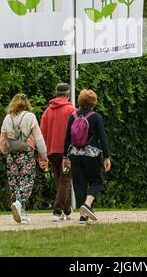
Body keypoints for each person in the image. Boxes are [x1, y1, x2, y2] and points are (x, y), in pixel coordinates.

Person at [62, 89, 111, 225]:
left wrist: (65, 156)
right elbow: (103, 138)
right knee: (96, 181)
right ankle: (88, 204)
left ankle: (83, 217)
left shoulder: (73, 117)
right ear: (93, 103)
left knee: (79, 183)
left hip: (75, 155)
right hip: (92, 155)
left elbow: (67, 138)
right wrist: (107, 157)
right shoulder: (96, 117)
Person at [0, 93, 48, 225]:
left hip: (12, 155)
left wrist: (5, 151)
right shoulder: (30, 117)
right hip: (26, 155)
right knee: (27, 181)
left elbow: (2, 141)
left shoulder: (7, 118)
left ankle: (22, 213)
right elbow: (38, 138)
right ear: (27, 104)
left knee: (15, 183)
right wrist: (44, 155)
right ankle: (19, 203)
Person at [40, 83, 76, 222]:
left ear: (56, 94)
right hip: (66, 152)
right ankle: (57, 211)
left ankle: (66, 210)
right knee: (65, 181)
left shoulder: (47, 112)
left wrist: (42, 156)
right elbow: (76, 132)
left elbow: (42, 134)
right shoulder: (72, 110)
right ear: (67, 94)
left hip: (51, 151)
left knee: (60, 182)